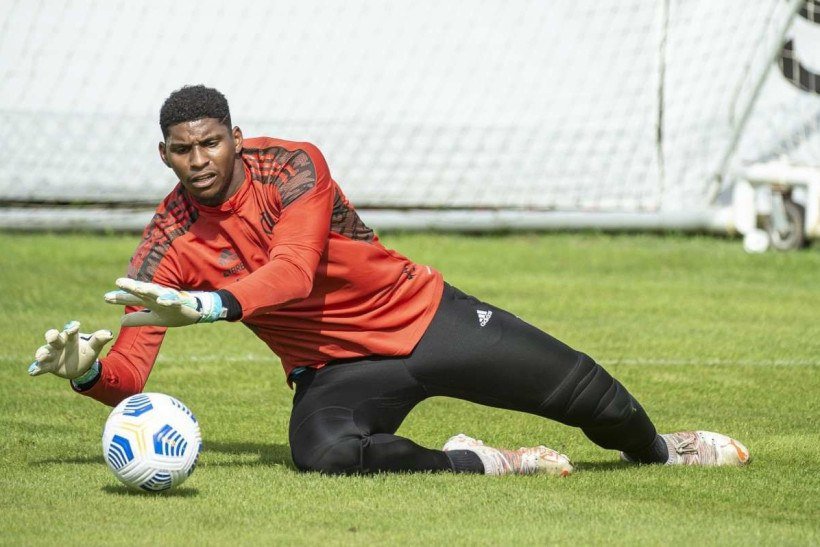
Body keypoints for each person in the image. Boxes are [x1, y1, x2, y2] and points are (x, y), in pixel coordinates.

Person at [28, 85, 751, 476]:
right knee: (322, 455)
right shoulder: (167, 241)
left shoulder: (293, 166)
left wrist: (212, 303)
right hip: (334, 370)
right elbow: (130, 371)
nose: (199, 159)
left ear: (237, 138)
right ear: (164, 155)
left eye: (211, 142)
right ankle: (483, 460)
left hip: (423, 317)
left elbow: (292, 270)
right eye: (182, 150)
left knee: (583, 391)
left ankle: (659, 450)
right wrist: (88, 371)